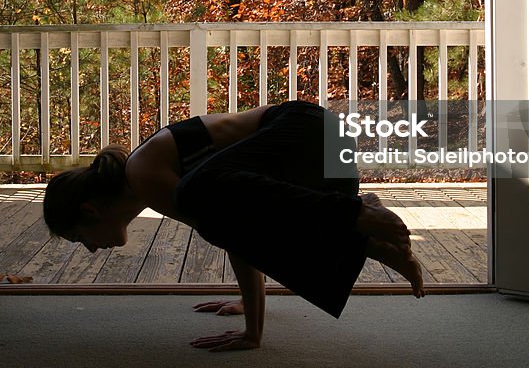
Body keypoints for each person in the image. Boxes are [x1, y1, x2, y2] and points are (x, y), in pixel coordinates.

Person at [43, 100, 425, 352]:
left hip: (312, 140)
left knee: (208, 208)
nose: (91, 249)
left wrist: (253, 332)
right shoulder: (148, 177)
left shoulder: (143, 173)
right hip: (323, 150)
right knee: (235, 215)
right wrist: (248, 303)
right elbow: (248, 221)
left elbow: (232, 233)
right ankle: (369, 235)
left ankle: (358, 216)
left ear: (91, 210)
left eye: (81, 240)